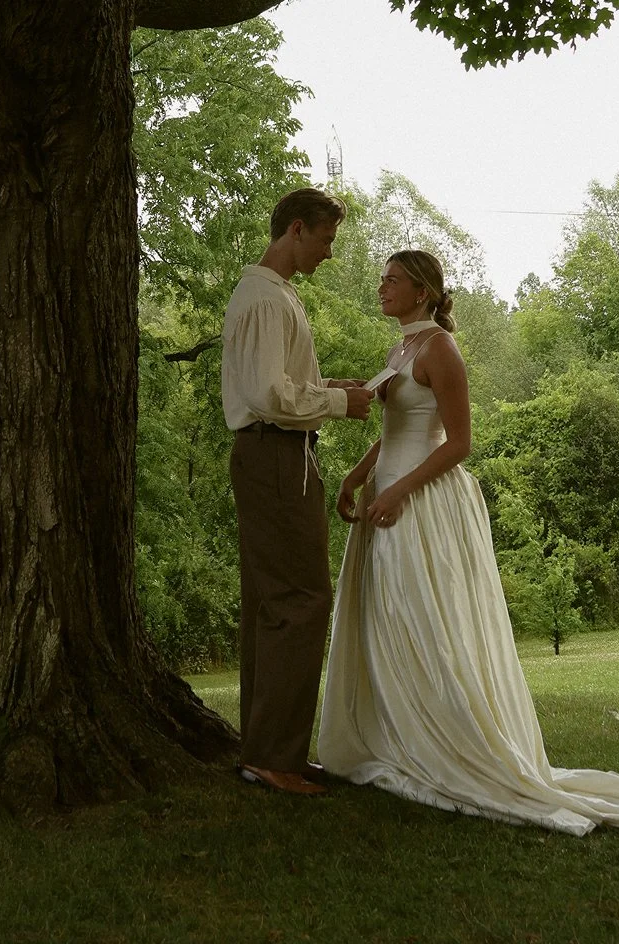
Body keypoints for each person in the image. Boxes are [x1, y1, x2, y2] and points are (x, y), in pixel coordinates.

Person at [317, 249, 619, 834]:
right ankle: (399, 737)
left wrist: (400, 493)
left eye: (392, 279)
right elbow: (394, 431)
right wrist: (357, 476)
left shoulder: (440, 347)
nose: (381, 285)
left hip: (423, 504)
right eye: (382, 277)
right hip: (383, 497)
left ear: (423, 291)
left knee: (428, 623)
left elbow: (458, 442)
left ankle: (453, 743)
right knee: (388, 624)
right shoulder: (400, 348)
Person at [222, 188, 375, 796]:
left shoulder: (273, 295)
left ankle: (266, 748)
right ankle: (273, 758)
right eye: (326, 239)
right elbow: (266, 397)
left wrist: (332, 385)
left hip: (274, 455)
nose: (329, 253)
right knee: (301, 599)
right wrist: (338, 402)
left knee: (269, 602)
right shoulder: (264, 297)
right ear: (294, 230)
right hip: (276, 457)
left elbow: (279, 384)